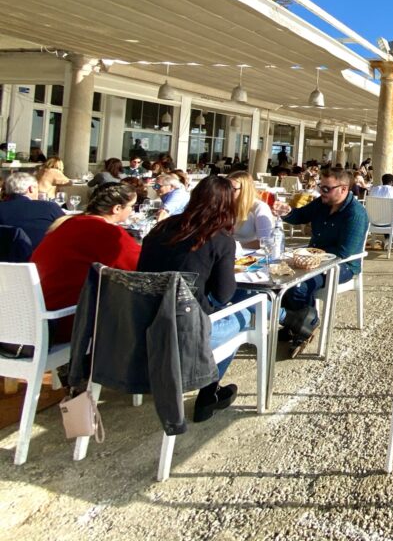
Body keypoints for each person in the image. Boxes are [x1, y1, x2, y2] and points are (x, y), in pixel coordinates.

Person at [137, 176, 244, 422]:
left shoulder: (160, 228)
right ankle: (210, 392)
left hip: (146, 323)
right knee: (246, 314)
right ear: (228, 204)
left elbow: (142, 273)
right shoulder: (220, 238)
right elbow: (223, 295)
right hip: (185, 332)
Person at [31, 183, 140, 344]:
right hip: (64, 320)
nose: (132, 210)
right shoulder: (107, 232)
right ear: (117, 208)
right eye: (131, 206)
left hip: (36, 316)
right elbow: (139, 267)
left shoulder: (66, 224)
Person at [273, 168, 369, 334]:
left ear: (344, 189)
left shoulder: (355, 214)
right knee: (280, 278)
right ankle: (294, 323)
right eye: (320, 186)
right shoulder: (322, 203)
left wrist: (311, 255)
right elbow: (300, 216)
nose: (321, 191)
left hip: (343, 266)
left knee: (298, 285)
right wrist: (287, 211)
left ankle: (308, 325)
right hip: (314, 258)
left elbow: (344, 252)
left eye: (326, 188)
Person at [0, 172, 64, 251]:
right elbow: (67, 230)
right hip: (42, 259)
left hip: (5, 261)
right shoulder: (50, 207)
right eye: (37, 188)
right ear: (30, 189)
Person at [228, 171, 274, 250]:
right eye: (225, 187)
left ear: (245, 190)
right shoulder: (224, 205)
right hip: (225, 253)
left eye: (233, 189)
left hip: (250, 255)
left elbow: (265, 241)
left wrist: (234, 248)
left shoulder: (259, 208)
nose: (228, 191)